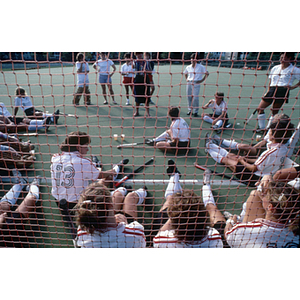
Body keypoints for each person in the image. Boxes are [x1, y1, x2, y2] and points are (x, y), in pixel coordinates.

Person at [153, 160, 225, 248]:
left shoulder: (162, 241)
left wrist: (175, 215)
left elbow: (159, 234)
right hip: (205, 237)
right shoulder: (215, 237)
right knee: (212, 207)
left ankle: (174, 175)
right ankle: (206, 185)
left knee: (169, 200)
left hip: (177, 232)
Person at [205, 118, 295, 186]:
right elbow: (262, 161)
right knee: (232, 155)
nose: (269, 133)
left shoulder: (270, 152)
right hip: (263, 174)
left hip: (252, 176)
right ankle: (212, 145)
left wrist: (242, 161)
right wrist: (245, 159)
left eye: (270, 132)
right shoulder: (283, 149)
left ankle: (209, 147)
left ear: (273, 136)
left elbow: (253, 168)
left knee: (227, 160)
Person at [50, 131, 128, 208]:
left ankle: (115, 168)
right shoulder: (83, 162)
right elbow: (101, 175)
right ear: (78, 147)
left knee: (100, 180)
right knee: (114, 184)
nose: (87, 149)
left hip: (58, 202)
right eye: (86, 146)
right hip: (78, 204)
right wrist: (111, 171)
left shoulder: (55, 158)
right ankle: (118, 168)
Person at [224, 177, 300, 248]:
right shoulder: (295, 233)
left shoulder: (244, 230)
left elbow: (227, 235)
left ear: (270, 207)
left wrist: (230, 221)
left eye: (267, 194)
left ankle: (237, 219)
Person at [74, 181, 147, 248]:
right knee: (131, 197)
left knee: (117, 195)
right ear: (110, 205)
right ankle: (140, 191)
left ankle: (123, 190)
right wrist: (125, 224)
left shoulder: (82, 232)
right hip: (124, 233)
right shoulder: (136, 232)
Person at [210, 113, 297, 158]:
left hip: (267, 152)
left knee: (242, 150)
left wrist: (252, 150)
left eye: (276, 119)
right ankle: (221, 142)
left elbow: (264, 143)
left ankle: (217, 145)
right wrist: (254, 148)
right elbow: (264, 141)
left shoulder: (279, 134)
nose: (273, 119)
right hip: (266, 148)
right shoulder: (275, 130)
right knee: (244, 147)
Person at [256, 52, 300, 132]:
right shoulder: (275, 68)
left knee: (274, 111)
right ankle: (262, 128)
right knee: (260, 108)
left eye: (283, 57)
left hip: (282, 91)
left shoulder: (295, 70)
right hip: (272, 90)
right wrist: (268, 91)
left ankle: (269, 129)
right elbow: (271, 81)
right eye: (281, 57)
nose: (281, 59)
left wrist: (292, 87)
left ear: (289, 58)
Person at [0, 172, 41, 247]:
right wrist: (1, 219)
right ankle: (34, 186)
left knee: (3, 206)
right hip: (9, 236)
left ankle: (20, 183)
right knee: (30, 199)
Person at [183, 53, 209, 117]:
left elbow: (207, 73)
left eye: (194, 59)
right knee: (189, 97)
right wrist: (187, 79)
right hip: (189, 82)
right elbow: (185, 73)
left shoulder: (201, 67)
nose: (192, 60)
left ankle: (195, 111)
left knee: (195, 98)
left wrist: (202, 80)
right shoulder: (188, 67)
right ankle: (190, 110)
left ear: (196, 60)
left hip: (196, 83)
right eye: (191, 59)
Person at [133, 52, 151, 117]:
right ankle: (137, 111)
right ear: (136, 55)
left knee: (146, 96)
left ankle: (148, 113)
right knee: (137, 96)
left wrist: (146, 70)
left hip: (145, 79)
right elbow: (132, 70)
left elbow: (150, 71)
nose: (139, 55)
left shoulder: (146, 61)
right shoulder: (134, 62)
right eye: (138, 54)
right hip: (137, 79)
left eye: (140, 54)